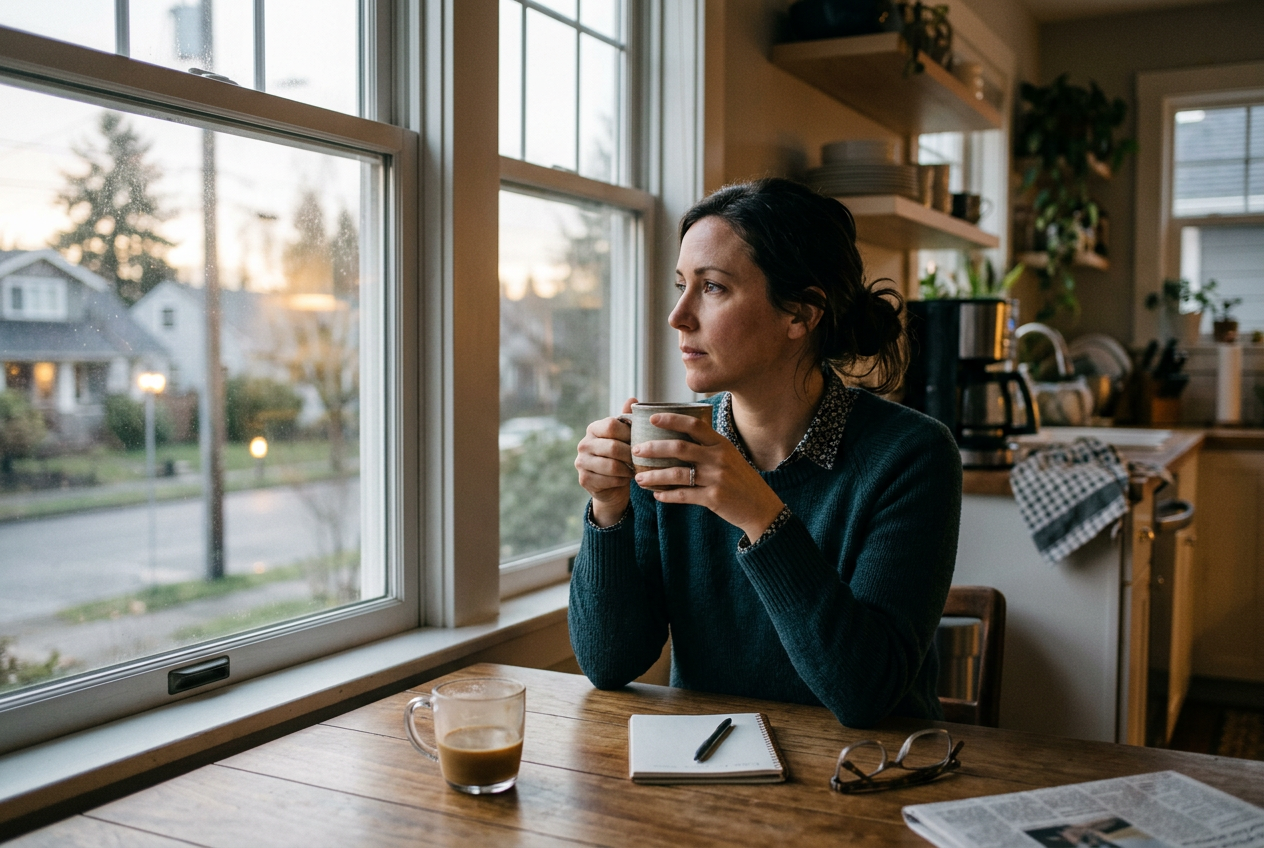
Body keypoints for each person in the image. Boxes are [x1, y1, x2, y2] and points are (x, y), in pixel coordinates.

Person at [569, 177, 961, 728]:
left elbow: (867, 694)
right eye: (681, 284)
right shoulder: (672, 445)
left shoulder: (912, 456)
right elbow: (610, 663)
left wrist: (760, 514)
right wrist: (608, 512)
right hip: (708, 774)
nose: (677, 316)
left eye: (712, 288)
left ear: (801, 314)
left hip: (867, 780)